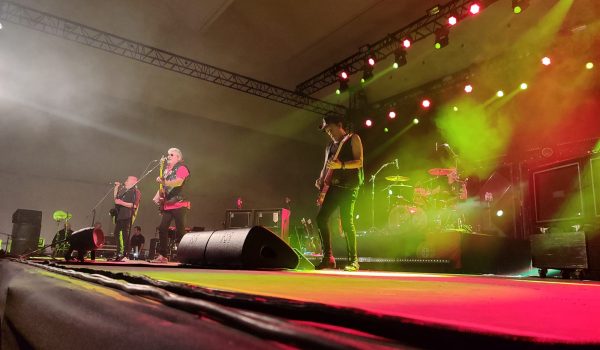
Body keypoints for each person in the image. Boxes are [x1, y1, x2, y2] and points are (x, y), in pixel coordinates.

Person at [315, 115, 364, 271]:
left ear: (340, 125)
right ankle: (328, 258)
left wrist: (341, 165)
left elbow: (359, 162)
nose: (329, 132)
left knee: (347, 221)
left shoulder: (353, 138)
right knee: (321, 218)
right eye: (327, 131)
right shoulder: (329, 147)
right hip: (334, 187)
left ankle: (354, 261)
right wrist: (320, 180)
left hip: (349, 187)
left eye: (330, 129)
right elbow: (326, 167)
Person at [152, 147, 190, 263]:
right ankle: (162, 255)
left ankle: (184, 256)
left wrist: (163, 182)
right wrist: (158, 195)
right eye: (168, 154)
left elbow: (178, 182)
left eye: (171, 155)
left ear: (178, 157)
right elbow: (164, 187)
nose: (168, 156)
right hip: (168, 204)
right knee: (162, 228)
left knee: (180, 231)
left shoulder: (182, 168)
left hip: (179, 203)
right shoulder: (166, 170)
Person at [112, 176, 141, 262]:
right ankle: (119, 253)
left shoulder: (136, 192)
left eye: (127, 180)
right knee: (116, 233)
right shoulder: (125, 192)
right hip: (120, 217)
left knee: (125, 236)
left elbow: (134, 205)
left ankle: (125, 255)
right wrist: (116, 188)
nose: (125, 182)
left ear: (133, 182)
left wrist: (122, 202)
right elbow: (116, 199)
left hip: (127, 216)